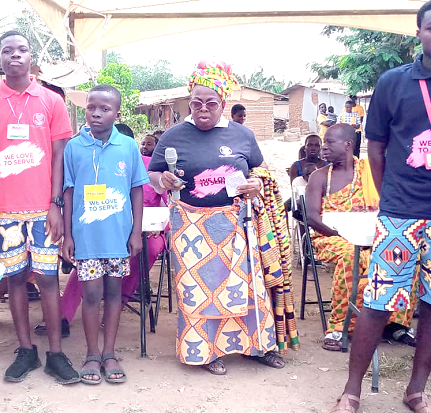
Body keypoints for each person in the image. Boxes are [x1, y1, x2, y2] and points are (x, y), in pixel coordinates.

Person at [148, 61, 298, 375]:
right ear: (189, 103)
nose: (203, 109)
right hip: (190, 225)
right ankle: (204, 352)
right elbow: (153, 173)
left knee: (246, 286)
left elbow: (259, 170)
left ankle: (256, 347)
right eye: (197, 103)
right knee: (200, 289)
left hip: (236, 223)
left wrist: (256, 183)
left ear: (223, 104)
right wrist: (162, 180)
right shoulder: (174, 135)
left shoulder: (242, 134)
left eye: (211, 103)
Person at [331, 3, 431, 412]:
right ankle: (351, 392)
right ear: (419, 32)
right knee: (377, 301)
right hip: (401, 211)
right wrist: (393, 190)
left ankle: (415, 391)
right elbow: (375, 145)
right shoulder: (395, 82)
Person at [0, 30, 79, 384]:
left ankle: (55, 354)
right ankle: (25, 350)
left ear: (32, 57)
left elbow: (60, 155)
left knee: (48, 280)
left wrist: (55, 204)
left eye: (21, 50)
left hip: (42, 209)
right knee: (16, 280)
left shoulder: (51, 101)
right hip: (3, 211)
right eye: (7, 51)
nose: (14, 55)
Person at [62, 84, 149, 385]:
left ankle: (110, 352)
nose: (96, 114)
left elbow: (137, 189)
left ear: (117, 113)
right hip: (86, 238)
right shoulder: (74, 147)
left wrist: (136, 232)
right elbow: (69, 192)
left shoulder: (128, 146)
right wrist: (68, 236)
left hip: (119, 238)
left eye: (105, 109)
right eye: (91, 107)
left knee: (114, 294)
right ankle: (91, 354)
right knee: (91, 295)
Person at [306, 124, 416, 352]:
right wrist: (342, 234)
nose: (324, 148)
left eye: (329, 143)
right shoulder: (319, 177)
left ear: (348, 145)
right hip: (332, 236)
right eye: (323, 143)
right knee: (350, 256)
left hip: (371, 234)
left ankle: (395, 323)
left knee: (404, 253)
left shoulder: (369, 171)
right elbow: (312, 217)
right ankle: (339, 327)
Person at [56, 125, 167, 328]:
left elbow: (166, 202)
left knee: (147, 251)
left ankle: (121, 300)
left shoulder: (148, 166)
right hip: (99, 223)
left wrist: (160, 228)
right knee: (85, 263)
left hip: (148, 229)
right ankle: (64, 314)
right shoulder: (80, 152)